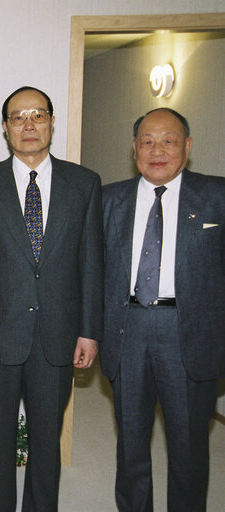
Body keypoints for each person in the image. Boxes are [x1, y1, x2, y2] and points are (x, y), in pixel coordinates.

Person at [0, 86, 103, 511]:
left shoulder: (85, 183)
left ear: (52, 122)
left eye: (37, 115)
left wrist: (89, 332)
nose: (28, 125)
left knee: (46, 439)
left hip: (57, 334)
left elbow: (91, 264)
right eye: (18, 117)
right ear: (5, 127)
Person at [102, 108, 225, 512]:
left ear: (187, 147)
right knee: (131, 442)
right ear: (134, 148)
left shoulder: (218, 196)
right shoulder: (107, 200)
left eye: (169, 141)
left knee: (189, 447)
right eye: (147, 141)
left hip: (189, 332)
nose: (158, 151)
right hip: (128, 329)